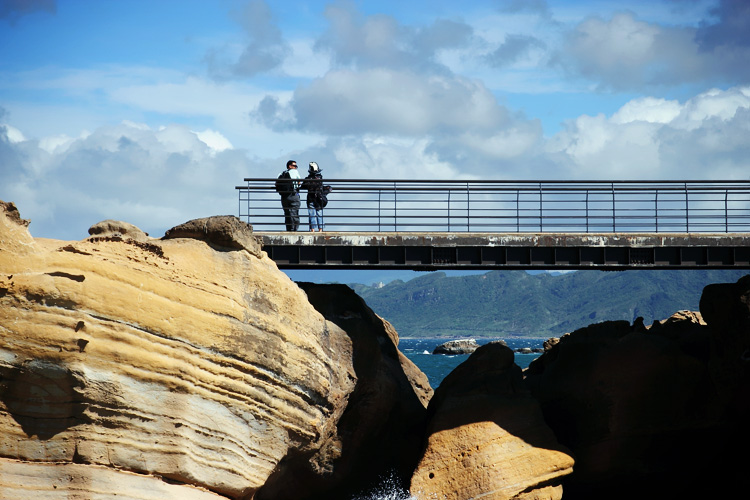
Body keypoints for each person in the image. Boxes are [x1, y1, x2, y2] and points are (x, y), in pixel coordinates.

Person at [301, 162, 325, 232]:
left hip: (311, 198)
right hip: (319, 198)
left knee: (312, 214)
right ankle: (320, 229)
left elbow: (303, 186)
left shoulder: (308, 178)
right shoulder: (320, 178)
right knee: (319, 214)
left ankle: (312, 229)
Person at [279, 160, 302, 231]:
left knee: (287, 213)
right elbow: (299, 182)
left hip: (284, 196)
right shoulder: (295, 172)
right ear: (290, 166)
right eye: (295, 166)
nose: (296, 167)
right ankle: (294, 229)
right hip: (293, 194)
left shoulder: (282, 173)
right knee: (294, 212)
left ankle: (288, 229)